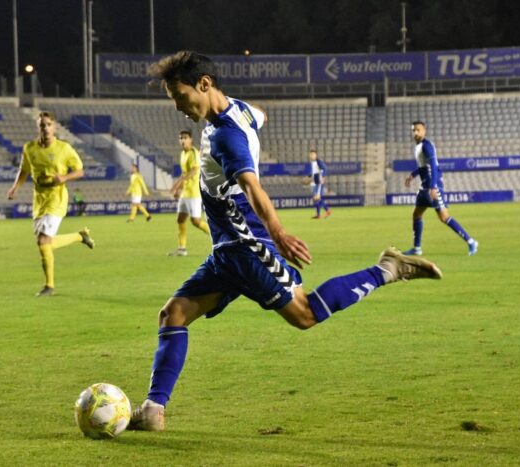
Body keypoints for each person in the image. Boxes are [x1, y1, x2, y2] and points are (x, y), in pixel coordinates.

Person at [127, 51, 444, 432]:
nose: (179, 108)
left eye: (181, 98)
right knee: (172, 314)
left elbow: (251, 185)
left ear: (205, 84)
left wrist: (278, 233)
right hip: (227, 249)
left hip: (245, 245)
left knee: (305, 315)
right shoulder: (237, 112)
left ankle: (388, 268)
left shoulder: (228, 136)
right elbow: (260, 115)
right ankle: (152, 410)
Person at [7, 111, 95, 297]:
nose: (45, 128)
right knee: (45, 243)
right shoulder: (29, 148)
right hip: (39, 202)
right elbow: (23, 171)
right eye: (42, 125)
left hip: (57, 200)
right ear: (38, 128)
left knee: (43, 241)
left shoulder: (64, 149)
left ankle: (49, 286)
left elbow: (80, 171)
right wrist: (15, 188)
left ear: (54, 127)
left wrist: (64, 177)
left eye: (48, 125)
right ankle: (80, 236)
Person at [403, 121, 479, 256]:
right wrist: (412, 175)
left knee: (444, 217)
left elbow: (433, 165)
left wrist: (433, 187)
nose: (415, 133)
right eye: (413, 130)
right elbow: (423, 166)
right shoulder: (419, 146)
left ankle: (471, 242)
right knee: (417, 214)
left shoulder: (427, 146)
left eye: (418, 130)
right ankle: (417, 248)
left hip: (432, 186)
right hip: (424, 186)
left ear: (424, 131)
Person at [167, 129, 210, 256]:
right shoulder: (182, 154)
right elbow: (185, 173)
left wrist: (178, 183)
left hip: (194, 193)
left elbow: (195, 170)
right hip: (185, 193)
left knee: (196, 222)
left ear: (190, 139)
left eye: (185, 137)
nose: (182, 140)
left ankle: (218, 237)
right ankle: (182, 249)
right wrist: (179, 189)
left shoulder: (194, 153)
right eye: (181, 138)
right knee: (180, 219)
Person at [307, 149, 331, 219]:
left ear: (316, 155)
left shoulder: (318, 161)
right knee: (316, 199)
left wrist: (323, 176)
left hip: (319, 182)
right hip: (315, 182)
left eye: (313, 154)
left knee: (317, 198)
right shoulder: (313, 162)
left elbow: (325, 168)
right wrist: (309, 176)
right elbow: (314, 172)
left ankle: (327, 210)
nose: (311, 155)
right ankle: (318, 215)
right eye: (310, 154)